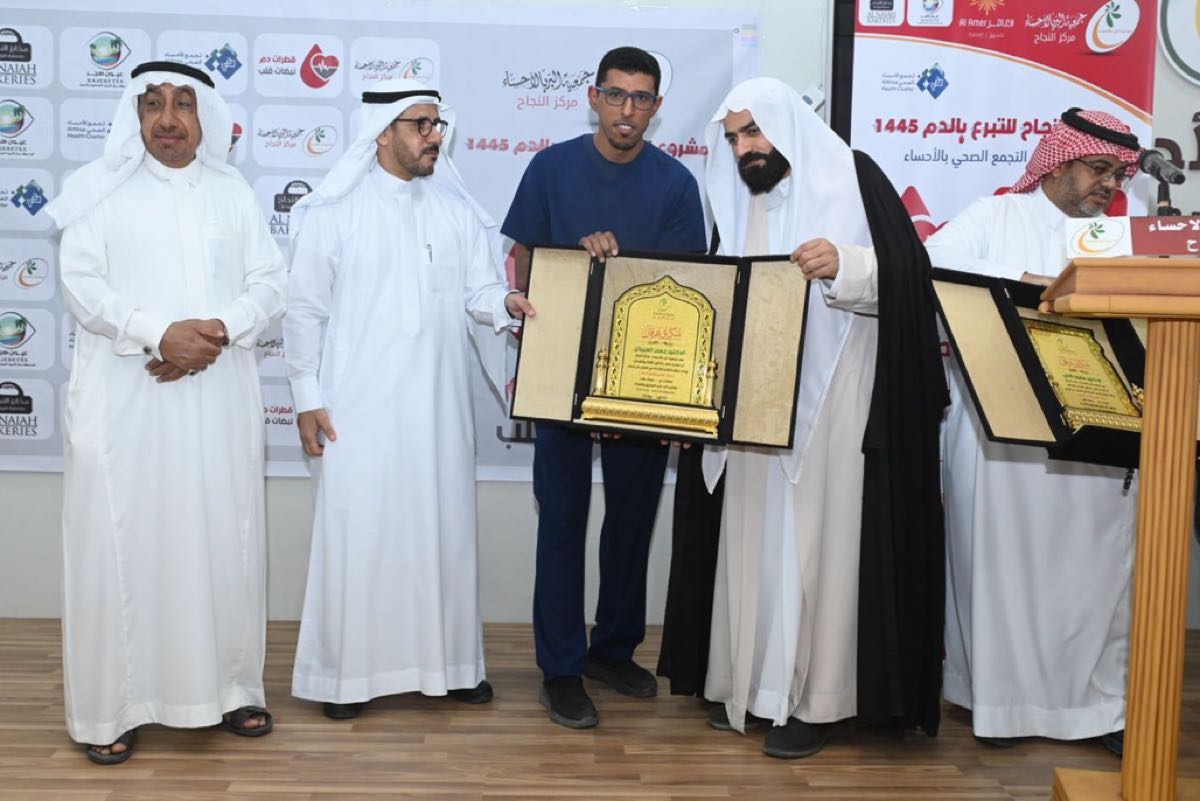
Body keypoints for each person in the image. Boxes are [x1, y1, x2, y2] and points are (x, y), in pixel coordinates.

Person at [682, 76, 946, 759]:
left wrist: (846, 264)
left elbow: (914, 276)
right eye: (733, 138)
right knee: (754, 542)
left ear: (787, 125)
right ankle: (747, 685)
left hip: (836, 399)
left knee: (819, 550)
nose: (744, 148)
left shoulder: (856, 177)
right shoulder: (736, 199)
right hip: (753, 403)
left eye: (753, 131)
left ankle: (815, 702)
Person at [45, 60, 286, 764]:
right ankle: (111, 708)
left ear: (205, 116)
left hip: (216, 395)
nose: (169, 119)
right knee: (119, 545)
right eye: (153, 105)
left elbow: (270, 283)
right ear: (136, 115)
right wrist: (160, 335)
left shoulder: (232, 192)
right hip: (125, 401)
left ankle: (231, 688)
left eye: (183, 104)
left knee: (223, 535)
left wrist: (214, 331)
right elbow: (82, 287)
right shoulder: (96, 190)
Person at [284, 79, 534, 719]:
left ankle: (453, 668)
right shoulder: (332, 212)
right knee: (360, 537)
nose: (434, 136)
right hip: (355, 410)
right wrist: (307, 397)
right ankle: (346, 679)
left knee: (442, 535)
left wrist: (506, 303)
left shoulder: (454, 210)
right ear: (382, 132)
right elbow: (304, 312)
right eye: (420, 125)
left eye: (436, 124)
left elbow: (480, 292)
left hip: (438, 408)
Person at [925, 108, 1141, 756]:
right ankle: (1002, 704)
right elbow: (933, 262)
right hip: (1002, 438)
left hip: (1099, 433)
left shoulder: (1119, 235)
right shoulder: (997, 216)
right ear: (1058, 162)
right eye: (1099, 168)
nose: (1110, 184)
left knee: (1095, 573)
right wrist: (1033, 287)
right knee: (1003, 571)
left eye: (1119, 173)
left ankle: (1098, 709)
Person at [501, 46, 706, 729]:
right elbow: (523, 259)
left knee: (631, 519)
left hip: (641, 377)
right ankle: (561, 669)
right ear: (593, 96)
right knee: (562, 519)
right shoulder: (550, 168)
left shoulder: (676, 184)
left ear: (656, 107)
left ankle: (612, 650)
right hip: (560, 367)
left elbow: (684, 286)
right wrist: (572, 263)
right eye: (616, 94)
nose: (626, 110)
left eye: (641, 98)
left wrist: (620, 269)